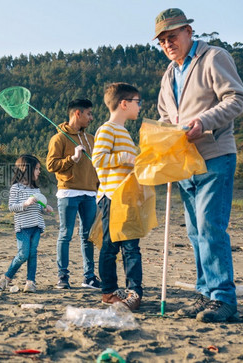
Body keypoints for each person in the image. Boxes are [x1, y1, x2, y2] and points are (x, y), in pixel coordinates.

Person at [153, 8, 243, 322]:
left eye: (173, 36)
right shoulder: (169, 75)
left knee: (210, 227)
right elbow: (167, 120)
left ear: (188, 32)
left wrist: (203, 122)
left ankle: (224, 299)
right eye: (163, 40)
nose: (168, 43)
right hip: (184, 165)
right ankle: (206, 294)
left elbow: (237, 98)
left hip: (216, 156)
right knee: (195, 232)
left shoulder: (214, 57)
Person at [92, 82, 143, 311]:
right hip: (112, 197)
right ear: (124, 104)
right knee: (111, 246)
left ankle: (134, 292)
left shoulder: (124, 132)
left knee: (132, 246)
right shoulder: (107, 129)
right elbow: (98, 159)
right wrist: (124, 157)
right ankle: (109, 292)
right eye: (137, 102)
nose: (139, 107)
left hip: (128, 198)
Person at [47, 99, 101, 290]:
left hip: (90, 194)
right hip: (68, 192)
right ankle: (62, 277)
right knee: (65, 234)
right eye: (88, 113)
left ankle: (89, 277)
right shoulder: (59, 138)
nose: (91, 118)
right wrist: (73, 159)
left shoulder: (92, 139)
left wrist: (99, 187)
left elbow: (97, 167)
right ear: (77, 113)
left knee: (88, 236)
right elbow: (51, 165)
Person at [0, 155, 53, 293]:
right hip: (23, 228)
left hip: (36, 226)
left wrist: (45, 209)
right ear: (27, 169)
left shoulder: (36, 190)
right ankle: (6, 278)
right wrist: (25, 204)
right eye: (37, 169)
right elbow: (11, 207)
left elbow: (39, 208)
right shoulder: (16, 188)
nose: (39, 172)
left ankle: (30, 282)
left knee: (33, 254)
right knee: (23, 254)